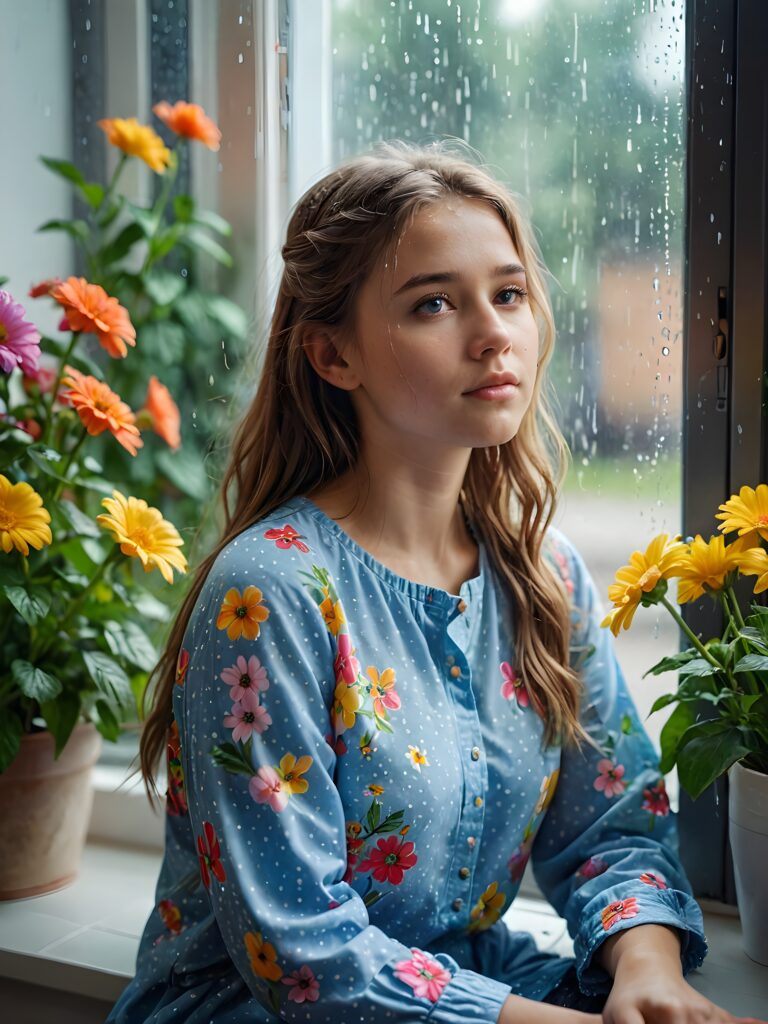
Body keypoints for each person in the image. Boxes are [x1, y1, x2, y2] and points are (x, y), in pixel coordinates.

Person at [107, 142, 757, 1024]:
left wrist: (648, 973)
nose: (493, 332)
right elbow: (306, 955)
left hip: (471, 978)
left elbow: (614, 828)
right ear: (333, 356)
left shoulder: (544, 573)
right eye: (435, 304)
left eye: (510, 293)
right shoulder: (269, 593)